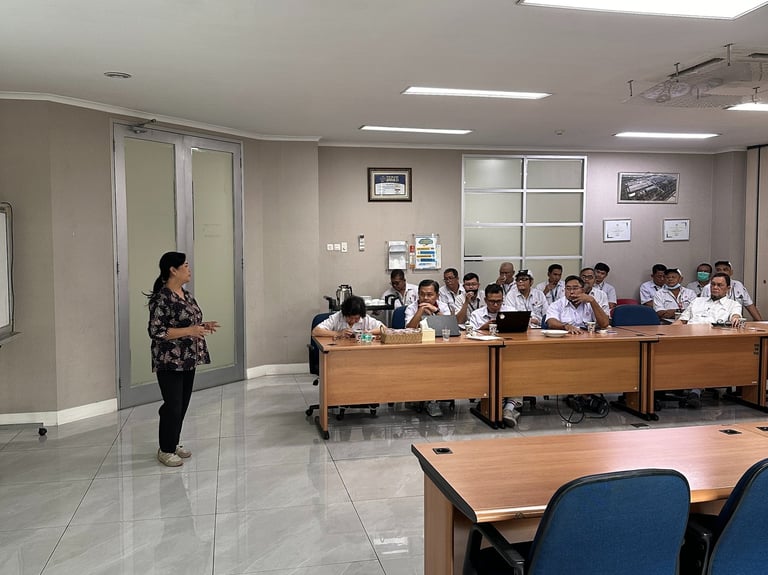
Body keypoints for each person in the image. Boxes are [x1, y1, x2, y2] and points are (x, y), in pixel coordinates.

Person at [147, 252, 219, 467]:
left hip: (188, 359)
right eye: (185, 266)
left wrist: (202, 326)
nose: (189, 270)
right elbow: (156, 331)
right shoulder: (162, 298)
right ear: (173, 270)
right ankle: (165, 449)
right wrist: (190, 330)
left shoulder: (185, 295)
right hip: (169, 360)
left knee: (183, 404)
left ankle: (173, 441)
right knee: (173, 405)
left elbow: (187, 323)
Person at [673, 272, 743, 407]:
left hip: (712, 343)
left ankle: (695, 392)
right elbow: (682, 321)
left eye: (720, 285)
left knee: (701, 355)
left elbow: (735, 316)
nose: (715, 287)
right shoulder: (697, 301)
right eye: (713, 285)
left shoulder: (733, 305)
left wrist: (735, 318)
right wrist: (665, 333)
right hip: (687, 339)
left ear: (728, 288)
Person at [546, 275, 610, 334]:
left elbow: (604, 324)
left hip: (588, 338)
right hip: (565, 337)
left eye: (575, 288)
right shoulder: (556, 305)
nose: (571, 292)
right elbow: (551, 322)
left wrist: (593, 301)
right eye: (568, 288)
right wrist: (566, 326)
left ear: (583, 290)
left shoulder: (590, 303)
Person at [312, 295, 384, 338]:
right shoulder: (337, 317)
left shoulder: (365, 318)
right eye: (350, 318)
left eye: (356, 319)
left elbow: (384, 329)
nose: (353, 321)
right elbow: (315, 331)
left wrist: (369, 332)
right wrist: (339, 333)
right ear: (344, 314)